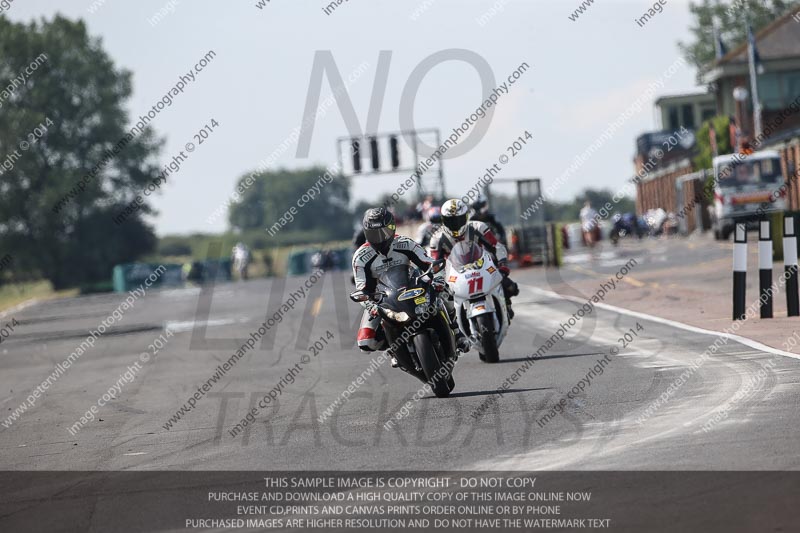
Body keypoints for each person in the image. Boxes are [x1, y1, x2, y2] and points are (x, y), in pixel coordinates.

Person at [352, 207, 471, 359]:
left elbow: (429, 263)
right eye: (374, 234)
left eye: (383, 232)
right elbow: (362, 289)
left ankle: (456, 331)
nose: (380, 238)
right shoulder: (361, 257)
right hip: (382, 299)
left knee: (445, 291)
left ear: (392, 228)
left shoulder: (405, 243)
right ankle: (393, 347)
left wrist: (438, 279)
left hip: (412, 286)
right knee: (365, 342)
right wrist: (372, 306)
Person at [429, 199, 519, 319]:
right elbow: (434, 263)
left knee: (510, 287)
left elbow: (497, 246)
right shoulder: (437, 238)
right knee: (440, 301)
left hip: (482, 266)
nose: (455, 224)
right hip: (454, 275)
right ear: (443, 220)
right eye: (450, 221)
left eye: (458, 220)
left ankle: (505, 305)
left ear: (466, 217)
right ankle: (454, 326)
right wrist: (438, 280)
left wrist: (502, 265)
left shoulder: (478, 227)